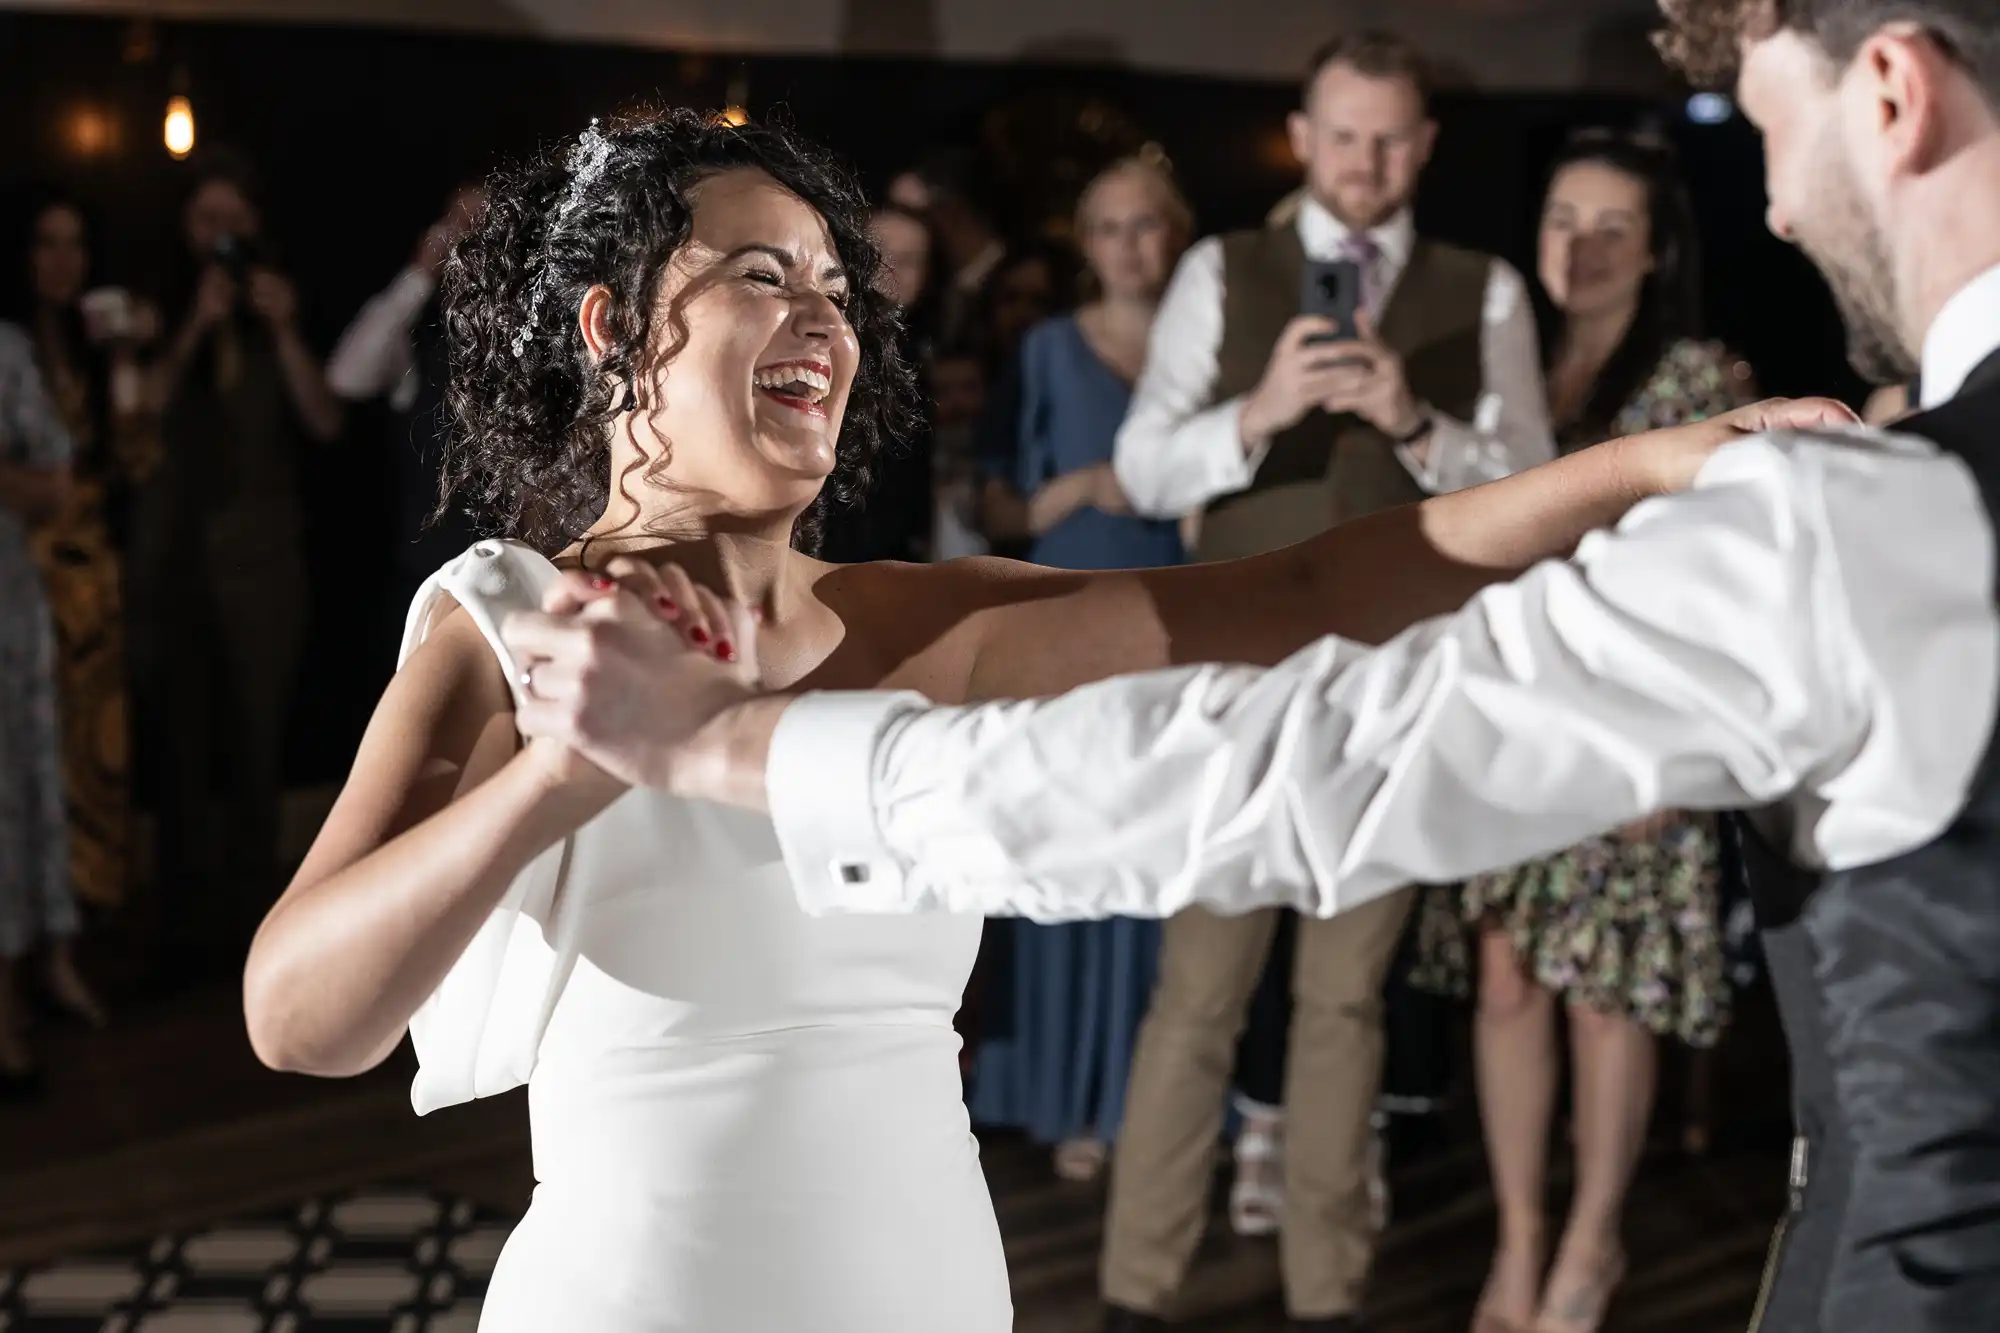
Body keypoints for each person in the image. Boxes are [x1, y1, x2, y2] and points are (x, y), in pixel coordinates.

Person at [536, 3, 2000, 1329]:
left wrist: (733, 748)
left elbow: (1295, 748)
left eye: (1769, 131)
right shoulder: (521, 614)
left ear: (1891, 95)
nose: (1780, 207)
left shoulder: (1863, 520)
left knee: (1344, 1015)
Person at [237, 109, 1800, 1333]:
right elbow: (304, 1018)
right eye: (760, 277)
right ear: (609, 327)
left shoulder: (929, 621)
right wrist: (562, 779)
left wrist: (1651, 469)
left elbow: (1322, 582)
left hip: (932, 1289)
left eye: (837, 293)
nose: (822, 324)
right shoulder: (508, 622)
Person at [1102, 29, 1557, 1325]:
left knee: (1348, 1001)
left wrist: (1419, 424)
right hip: (1234, 691)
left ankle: (1327, 1297)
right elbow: (1142, 470)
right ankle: (1134, 1295)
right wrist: (1256, 415)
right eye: (1343, 135)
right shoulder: (1219, 269)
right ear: (1303, 136)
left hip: (1393, 691)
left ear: (1424, 145)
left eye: (1392, 138)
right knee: (1198, 996)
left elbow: (1529, 490)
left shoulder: (1486, 294)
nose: (1366, 162)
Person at [1402, 126, 1756, 1333]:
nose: (1583, 247)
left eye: (1613, 227)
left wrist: (1678, 744)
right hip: (1507, 709)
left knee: (1603, 993)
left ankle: (1589, 1246)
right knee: (1504, 982)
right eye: (1563, 220)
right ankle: (1516, 1240)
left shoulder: (1700, 375)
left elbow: (1720, 584)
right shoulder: (1507, 364)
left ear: (1654, 250)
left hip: (1629, 726)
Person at [966, 157, 1192, 1183]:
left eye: (1145, 226)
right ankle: (1063, 1098)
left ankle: (1154, 1102)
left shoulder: (1211, 351)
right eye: (1108, 228)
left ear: (1175, 234)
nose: (1128, 246)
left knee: (1162, 867)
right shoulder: (1046, 350)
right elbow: (995, 510)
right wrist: (1088, 487)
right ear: (1084, 243)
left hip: (1185, 636)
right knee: (1067, 857)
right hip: (1062, 632)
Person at [133, 151, 342, 981]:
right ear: (186, 229)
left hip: (264, 565)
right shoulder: (153, 307)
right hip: (172, 563)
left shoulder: (283, 308)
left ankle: (261, 931)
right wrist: (194, 324)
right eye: (205, 222)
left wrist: (283, 325)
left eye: (234, 222)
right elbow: (137, 410)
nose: (220, 237)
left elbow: (325, 421)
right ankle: (181, 931)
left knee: (258, 745)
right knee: (180, 747)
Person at [6, 189, 153, 1027]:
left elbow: (132, 450)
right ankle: (20, 963)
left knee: (88, 768)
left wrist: (128, 356)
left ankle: (65, 954)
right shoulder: (13, 348)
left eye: (75, 243)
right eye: (45, 243)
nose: (62, 261)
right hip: (23, 580)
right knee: (24, 773)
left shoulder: (94, 346)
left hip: (92, 583)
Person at [328, 181, 487, 615]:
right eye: (458, 227)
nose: (470, 239)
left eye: (484, 225)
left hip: (519, 577)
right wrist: (419, 273)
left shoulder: (533, 337)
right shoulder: (420, 340)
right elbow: (346, 377)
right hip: (431, 585)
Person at [0, 319, 82, 1095]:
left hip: (8, 618)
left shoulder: (8, 353)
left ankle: (26, 994)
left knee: (23, 796)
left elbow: (56, 481)